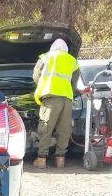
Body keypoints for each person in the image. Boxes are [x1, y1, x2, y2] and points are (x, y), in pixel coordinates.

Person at [32, 39, 80, 169]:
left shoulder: (45, 57)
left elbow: (36, 77)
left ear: (52, 47)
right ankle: (60, 160)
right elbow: (74, 83)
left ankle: (41, 159)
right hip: (67, 99)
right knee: (64, 130)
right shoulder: (72, 61)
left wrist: (41, 87)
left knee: (46, 128)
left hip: (50, 97)